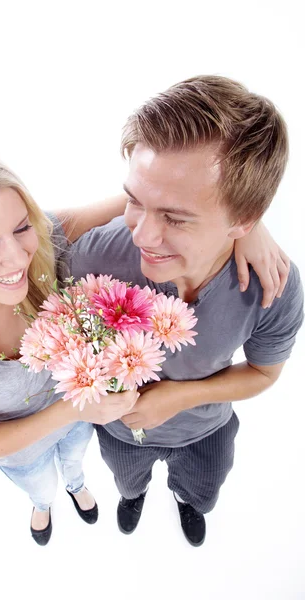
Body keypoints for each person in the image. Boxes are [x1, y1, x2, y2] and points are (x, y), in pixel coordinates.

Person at [0, 135, 290, 547]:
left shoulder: (42, 247)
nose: (17, 258)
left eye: (22, 227)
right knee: (42, 485)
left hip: (83, 428)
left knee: (75, 463)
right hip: (28, 449)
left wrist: (245, 224)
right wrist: (77, 408)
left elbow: (160, 203)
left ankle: (81, 485)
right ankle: (45, 504)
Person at [69, 75, 304, 547]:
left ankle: (187, 502)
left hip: (206, 428)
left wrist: (176, 398)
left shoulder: (274, 286)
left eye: (175, 218)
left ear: (245, 220)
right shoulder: (91, 258)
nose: (141, 236)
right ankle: (133, 497)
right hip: (120, 430)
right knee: (127, 480)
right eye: (135, 201)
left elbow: (263, 374)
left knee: (203, 489)